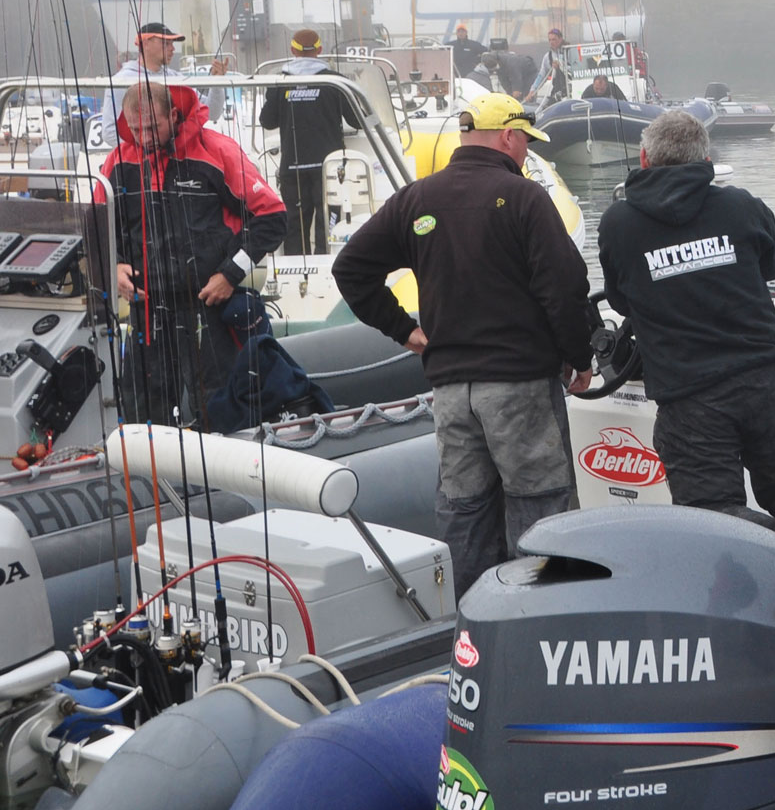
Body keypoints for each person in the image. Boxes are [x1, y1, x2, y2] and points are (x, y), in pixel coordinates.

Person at [332, 93, 595, 595]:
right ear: (508, 136)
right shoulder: (524, 198)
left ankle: (472, 624)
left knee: (464, 511)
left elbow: (350, 269)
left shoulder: (416, 198)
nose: (524, 153)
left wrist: (405, 330)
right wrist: (579, 357)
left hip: (451, 395)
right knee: (541, 506)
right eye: (525, 142)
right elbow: (563, 286)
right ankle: (543, 620)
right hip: (520, 388)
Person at [596, 110, 775, 550]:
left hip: (690, 396)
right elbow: (772, 265)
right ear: (705, 158)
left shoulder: (617, 224)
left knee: (710, 508)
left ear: (644, 159)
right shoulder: (741, 206)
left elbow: (621, 300)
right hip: (764, 376)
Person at [102, 82, 288, 426]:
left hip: (209, 308)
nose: (144, 137)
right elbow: (96, 228)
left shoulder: (216, 152)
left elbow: (272, 219)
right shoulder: (117, 163)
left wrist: (230, 274)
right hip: (149, 314)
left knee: (224, 411)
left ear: (173, 115)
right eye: (135, 128)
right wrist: (113, 266)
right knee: (142, 414)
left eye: (153, 127)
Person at [259, 29, 356, 255]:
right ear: (320, 50)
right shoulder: (335, 82)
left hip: (293, 168)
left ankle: (297, 276)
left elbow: (267, 121)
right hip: (330, 170)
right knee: (330, 225)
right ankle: (329, 269)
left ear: (292, 50)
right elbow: (357, 119)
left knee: (295, 227)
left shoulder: (279, 82)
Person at [529, 27, 572, 103]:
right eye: (550, 40)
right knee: (545, 105)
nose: (551, 42)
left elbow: (576, 70)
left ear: (560, 39)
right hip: (557, 90)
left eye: (554, 39)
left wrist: (561, 66)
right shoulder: (548, 57)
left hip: (572, 88)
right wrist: (533, 90)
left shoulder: (570, 52)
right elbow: (541, 76)